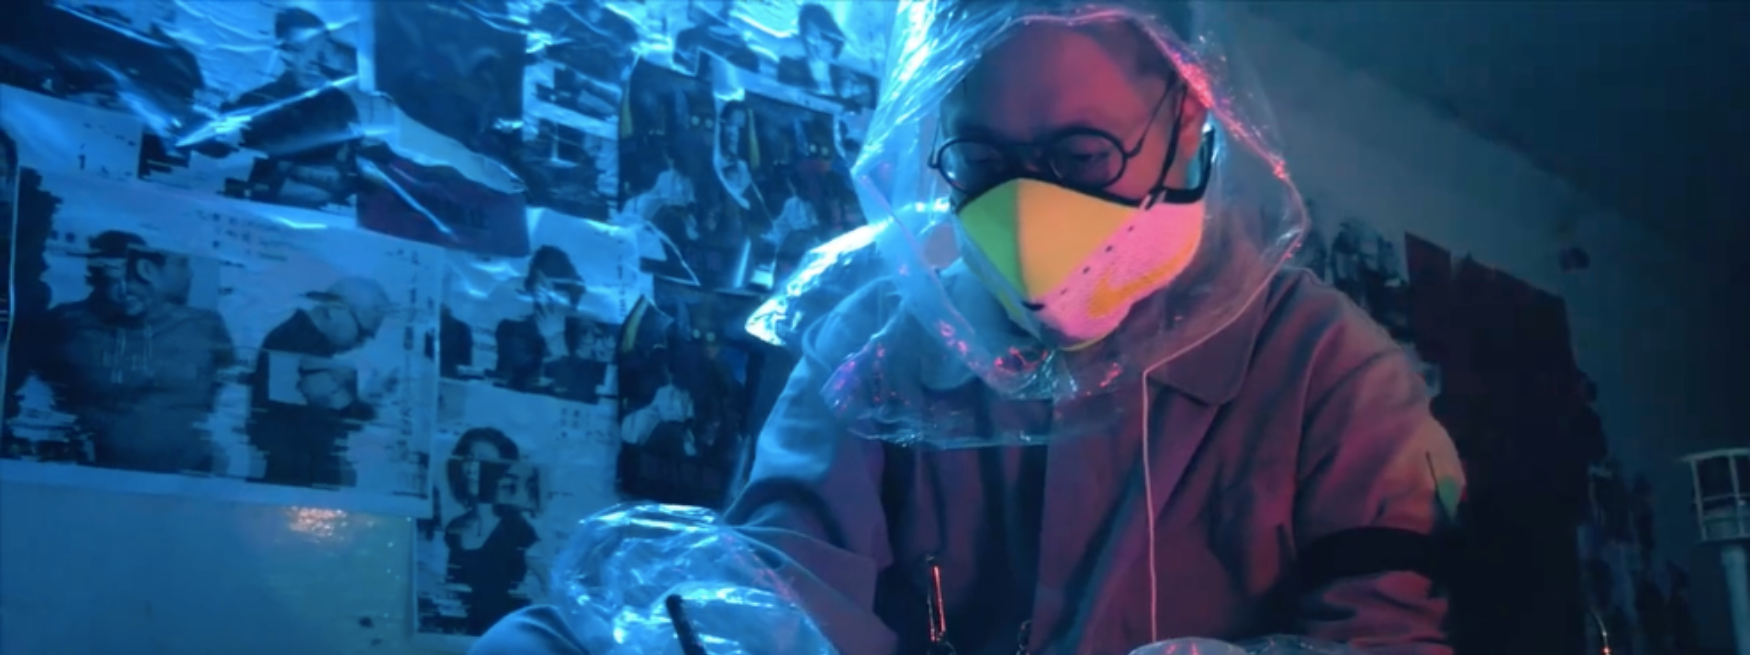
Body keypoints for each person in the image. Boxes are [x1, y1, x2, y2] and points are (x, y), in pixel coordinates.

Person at [473, 3, 1465, 655]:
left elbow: (1390, 634)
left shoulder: (1335, 375)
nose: (1027, 215)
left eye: (1083, 154)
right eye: (985, 162)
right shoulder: (877, 342)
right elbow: (784, 583)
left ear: (1192, 125)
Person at [23, 230, 235, 473]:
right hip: (87, 471)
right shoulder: (66, 324)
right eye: (113, 279)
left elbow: (229, 391)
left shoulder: (203, 326)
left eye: (137, 278)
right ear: (94, 279)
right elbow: (40, 392)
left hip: (188, 471)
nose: (127, 290)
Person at [245, 276, 394, 487]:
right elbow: (321, 420)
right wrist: (365, 404)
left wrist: (366, 400)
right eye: (361, 332)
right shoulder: (293, 343)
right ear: (336, 309)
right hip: (291, 483)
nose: (360, 344)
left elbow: (324, 413)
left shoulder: (299, 342)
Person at [220, 7, 361, 209]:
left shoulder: (342, 104)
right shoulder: (256, 103)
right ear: (284, 53)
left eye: (321, 51)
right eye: (301, 50)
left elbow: (353, 167)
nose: (314, 61)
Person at [443, 427, 541, 636]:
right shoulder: (454, 527)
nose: (472, 469)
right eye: (468, 459)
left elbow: (552, 586)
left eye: (484, 461)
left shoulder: (519, 529)